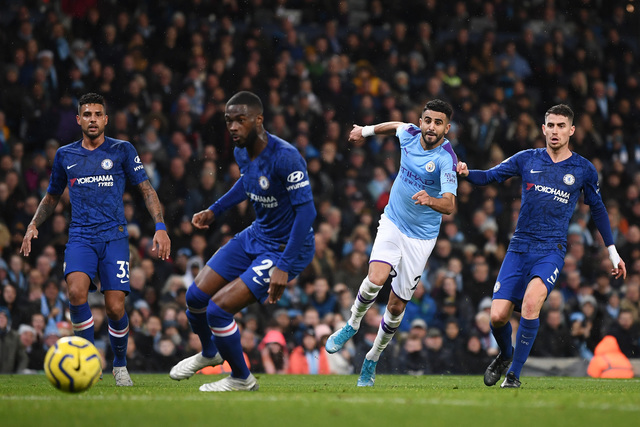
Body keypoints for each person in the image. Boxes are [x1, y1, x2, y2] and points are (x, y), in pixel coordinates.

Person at [456, 104, 627, 388]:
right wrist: (465, 172)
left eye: (561, 126)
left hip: (551, 249)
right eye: (551, 125)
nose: (555, 131)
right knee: (497, 317)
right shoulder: (527, 159)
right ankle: (505, 355)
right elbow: (490, 176)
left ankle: (514, 376)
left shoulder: (583, 169)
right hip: (519, 246)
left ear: (571, 130)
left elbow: (598, 210)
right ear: (543, 129)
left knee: (530, 304)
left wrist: (613, 253)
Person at [168, 91, 316, 392]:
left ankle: (241, 378)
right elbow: (247, 182)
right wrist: (215, 210)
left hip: (287, 247)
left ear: (258, 120)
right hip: (257, 233)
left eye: (240, 120)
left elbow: (307, 212)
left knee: (218, 310)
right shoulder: (241, 151)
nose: (233, 127)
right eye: (229, 121)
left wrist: (283, 266)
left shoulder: (285, 156)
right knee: (195, 298)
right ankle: (210, 353)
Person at [20, 92, 171, 386]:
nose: (92, 119)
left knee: (115, 308)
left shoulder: (122, 150)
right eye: (86, 114)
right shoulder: (65, 154)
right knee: (76, 293)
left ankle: (120, 365)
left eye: (97, 114)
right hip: (81, 236)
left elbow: (147, 190)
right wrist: (33, 224)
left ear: (105, 119)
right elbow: (51, 196)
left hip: (114, 237)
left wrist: (161, 226)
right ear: (78, 120)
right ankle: (88, 360)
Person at [325, 99, 458, 386]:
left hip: (421, 238)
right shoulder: (409, 133)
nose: (431, 126)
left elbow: (449, 206)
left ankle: (371, 360)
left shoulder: (447, 160)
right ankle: (351, 324)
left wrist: (430, 200)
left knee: (397, 306)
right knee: (375, 278)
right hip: (393, 221)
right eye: (427, 120)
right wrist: (367, 130)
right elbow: (396, 126)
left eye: (438, 122)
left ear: (447, 128)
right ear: (421, 121)